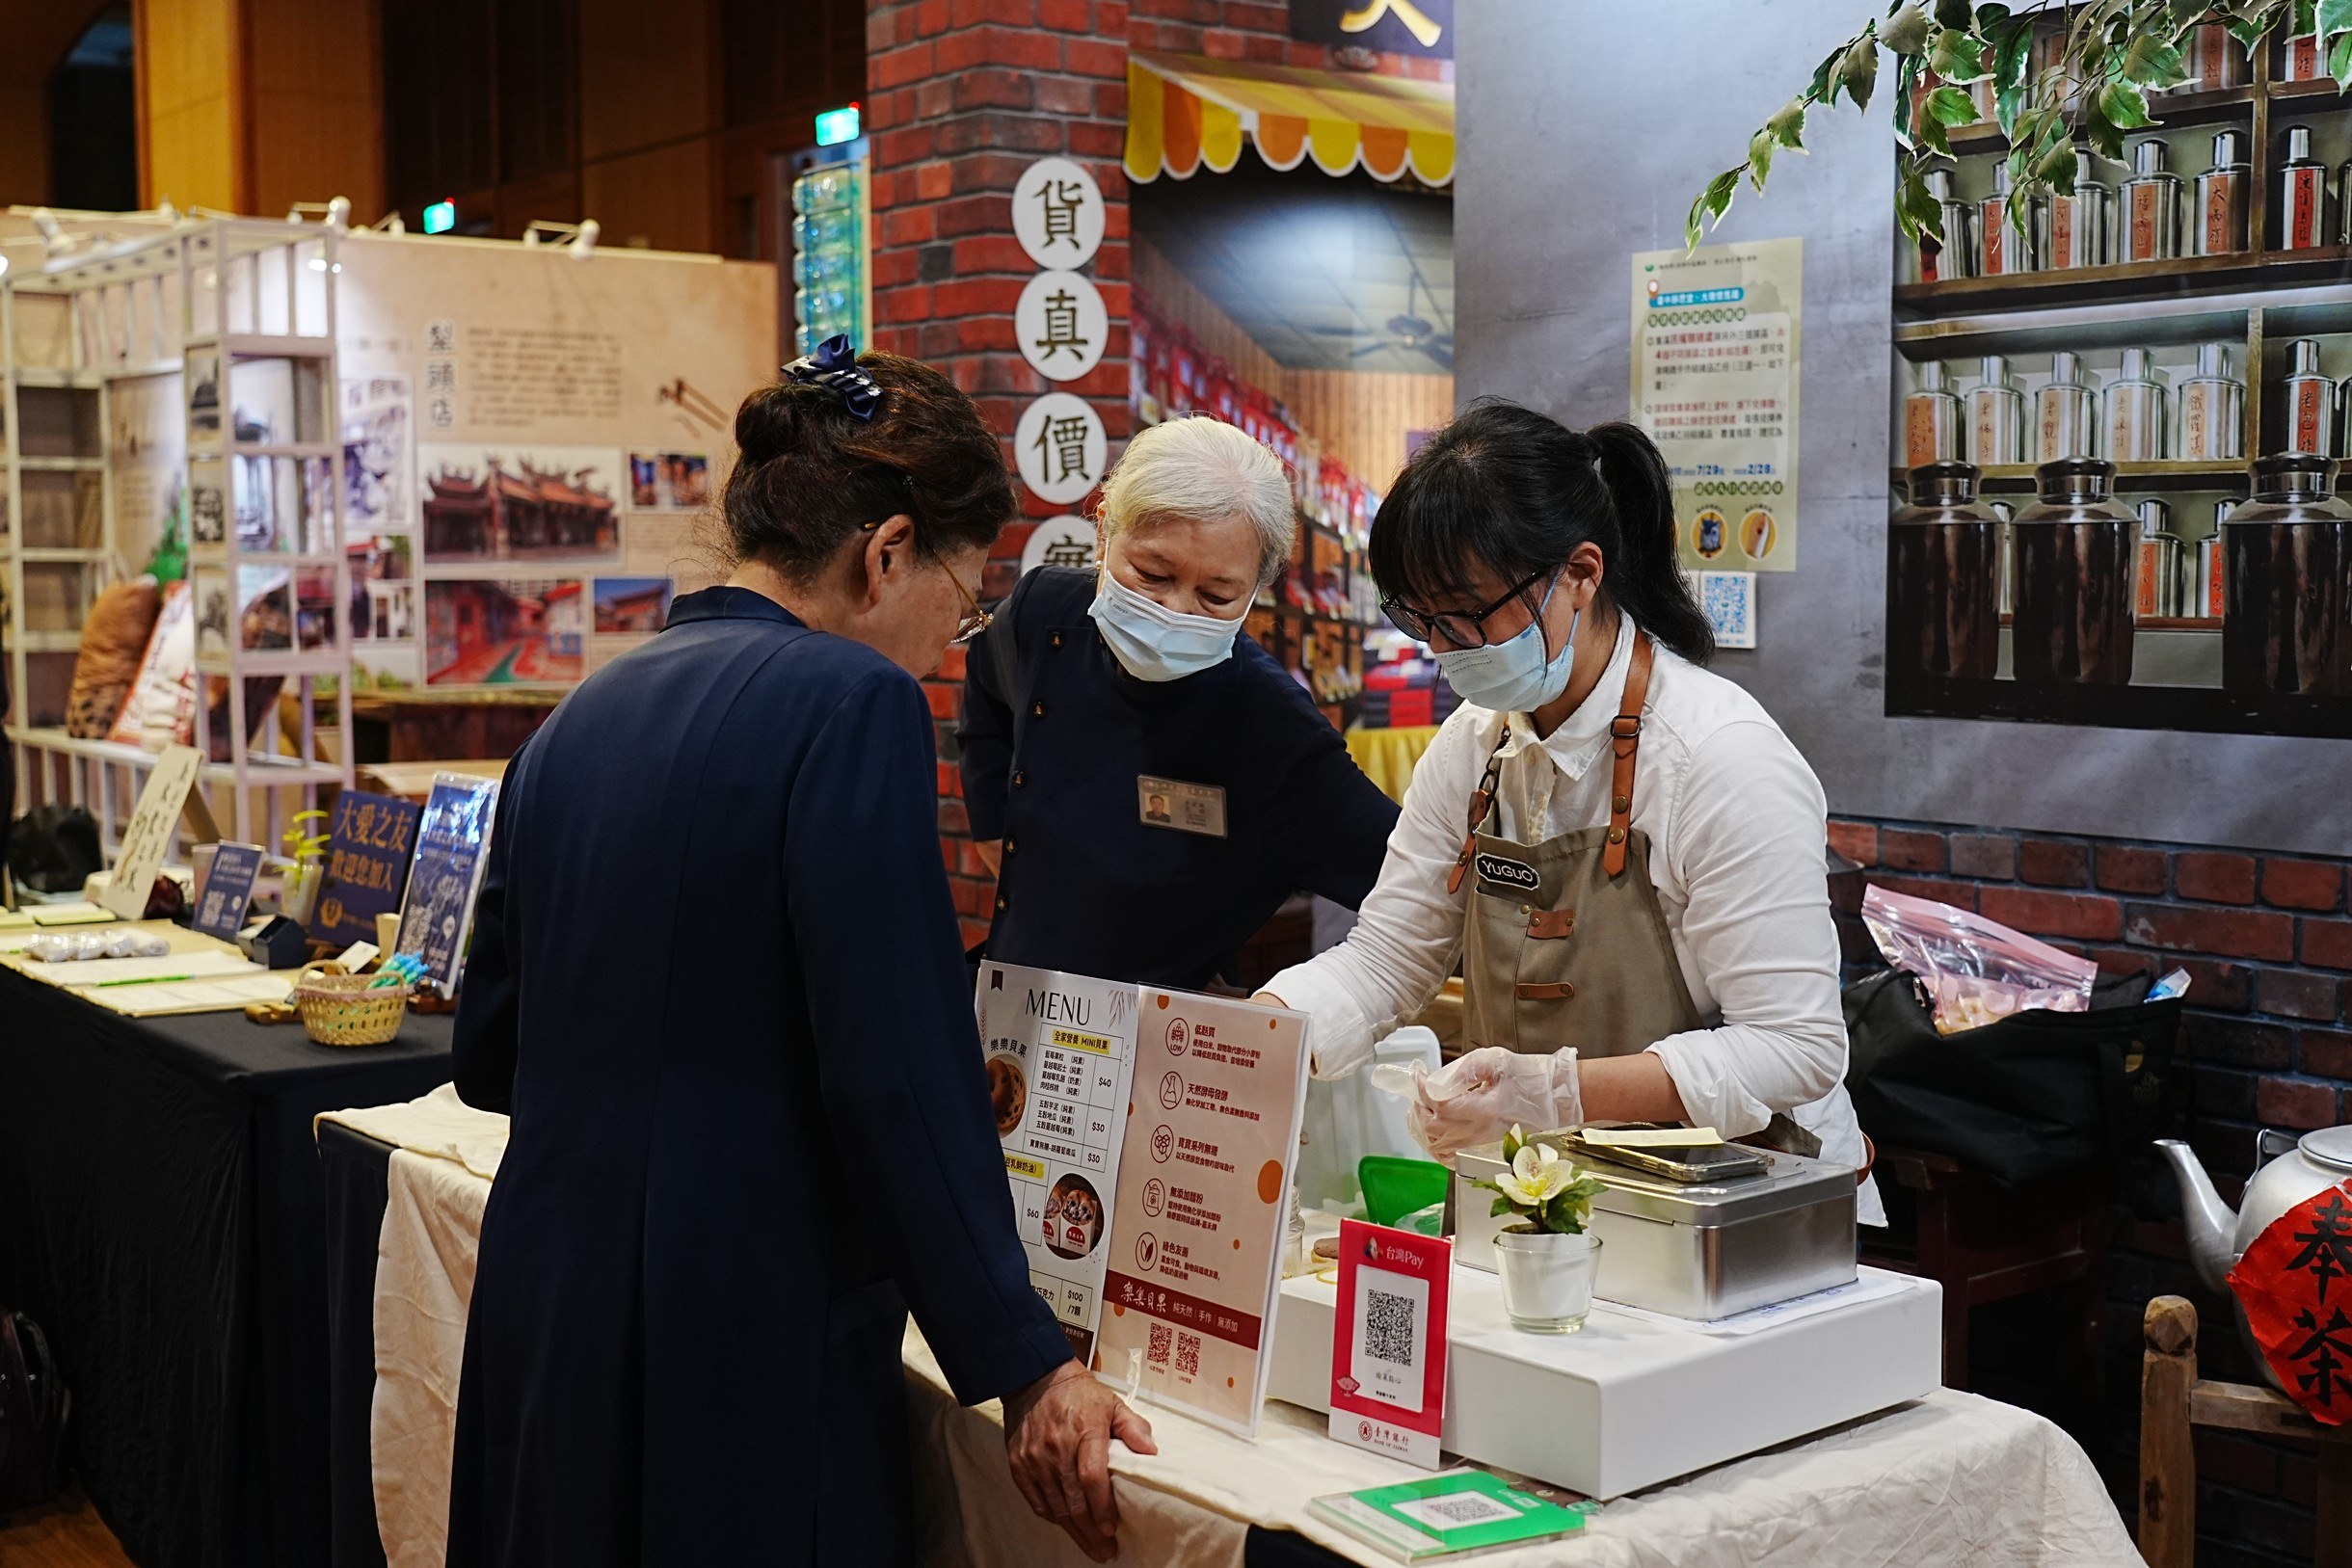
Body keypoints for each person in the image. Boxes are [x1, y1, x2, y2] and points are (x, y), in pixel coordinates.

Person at [446, 341, 1157, 1568]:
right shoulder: (849, 701)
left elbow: (491, 1052)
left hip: (547, 1299)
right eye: (965, 594)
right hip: (734, 1323)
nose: (957, 636)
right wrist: (1027, 1360)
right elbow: (888, 1073)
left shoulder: (577, 715)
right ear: (884, 553)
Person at [1255, 402, 1881, 1223]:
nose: (1448, 647)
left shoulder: (1718, 757)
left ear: (1581, 575)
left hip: (1748, 1206)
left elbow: (1792, 1048)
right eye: (1422, 619)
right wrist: (1257, 1036)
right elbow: (1385, 960)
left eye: (1470, 611)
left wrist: (1552, 1091)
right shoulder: (1472, 750)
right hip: (1547, 1196)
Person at [959, 415, 1400, 990]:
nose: (1175, 612)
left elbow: (1408, 890)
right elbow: (985, 697)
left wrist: (1311, 999)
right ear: (1103, 534)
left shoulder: (1274, 730)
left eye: (1217, 595)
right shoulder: (1045, 612)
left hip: (1164, 1039)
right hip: (1017, 998)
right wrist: (999, 838)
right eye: (1151, 574)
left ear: (1255, 591)